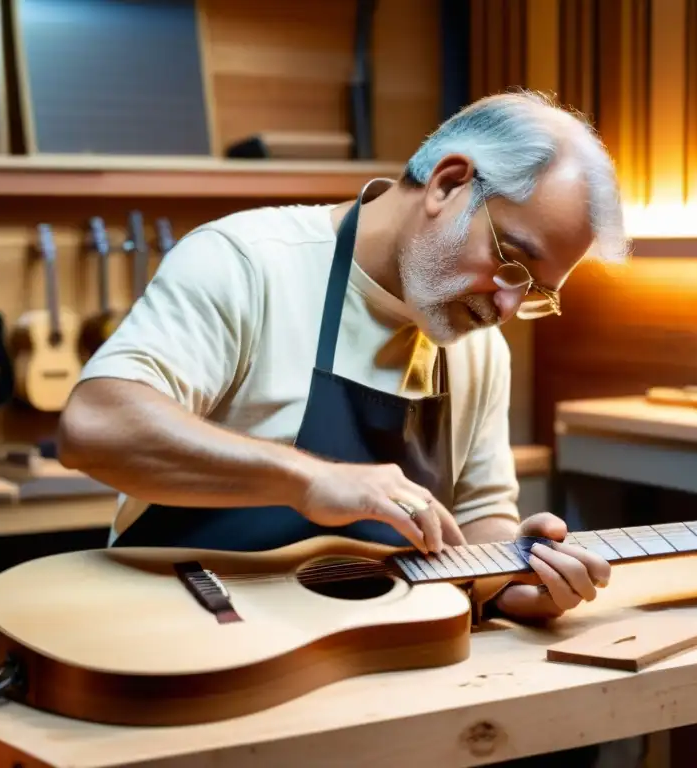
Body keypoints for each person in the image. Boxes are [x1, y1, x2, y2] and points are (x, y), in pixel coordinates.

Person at [58, 89, 630, 765]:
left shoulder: (479, 348)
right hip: (178, 664)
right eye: (511, 261)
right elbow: (95, 424)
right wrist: (310, 479)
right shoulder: (249, 262)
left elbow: (481, 515)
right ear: (449, 183)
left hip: (361, 680)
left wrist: (513, 578)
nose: (506, 305)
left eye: (535, 292)